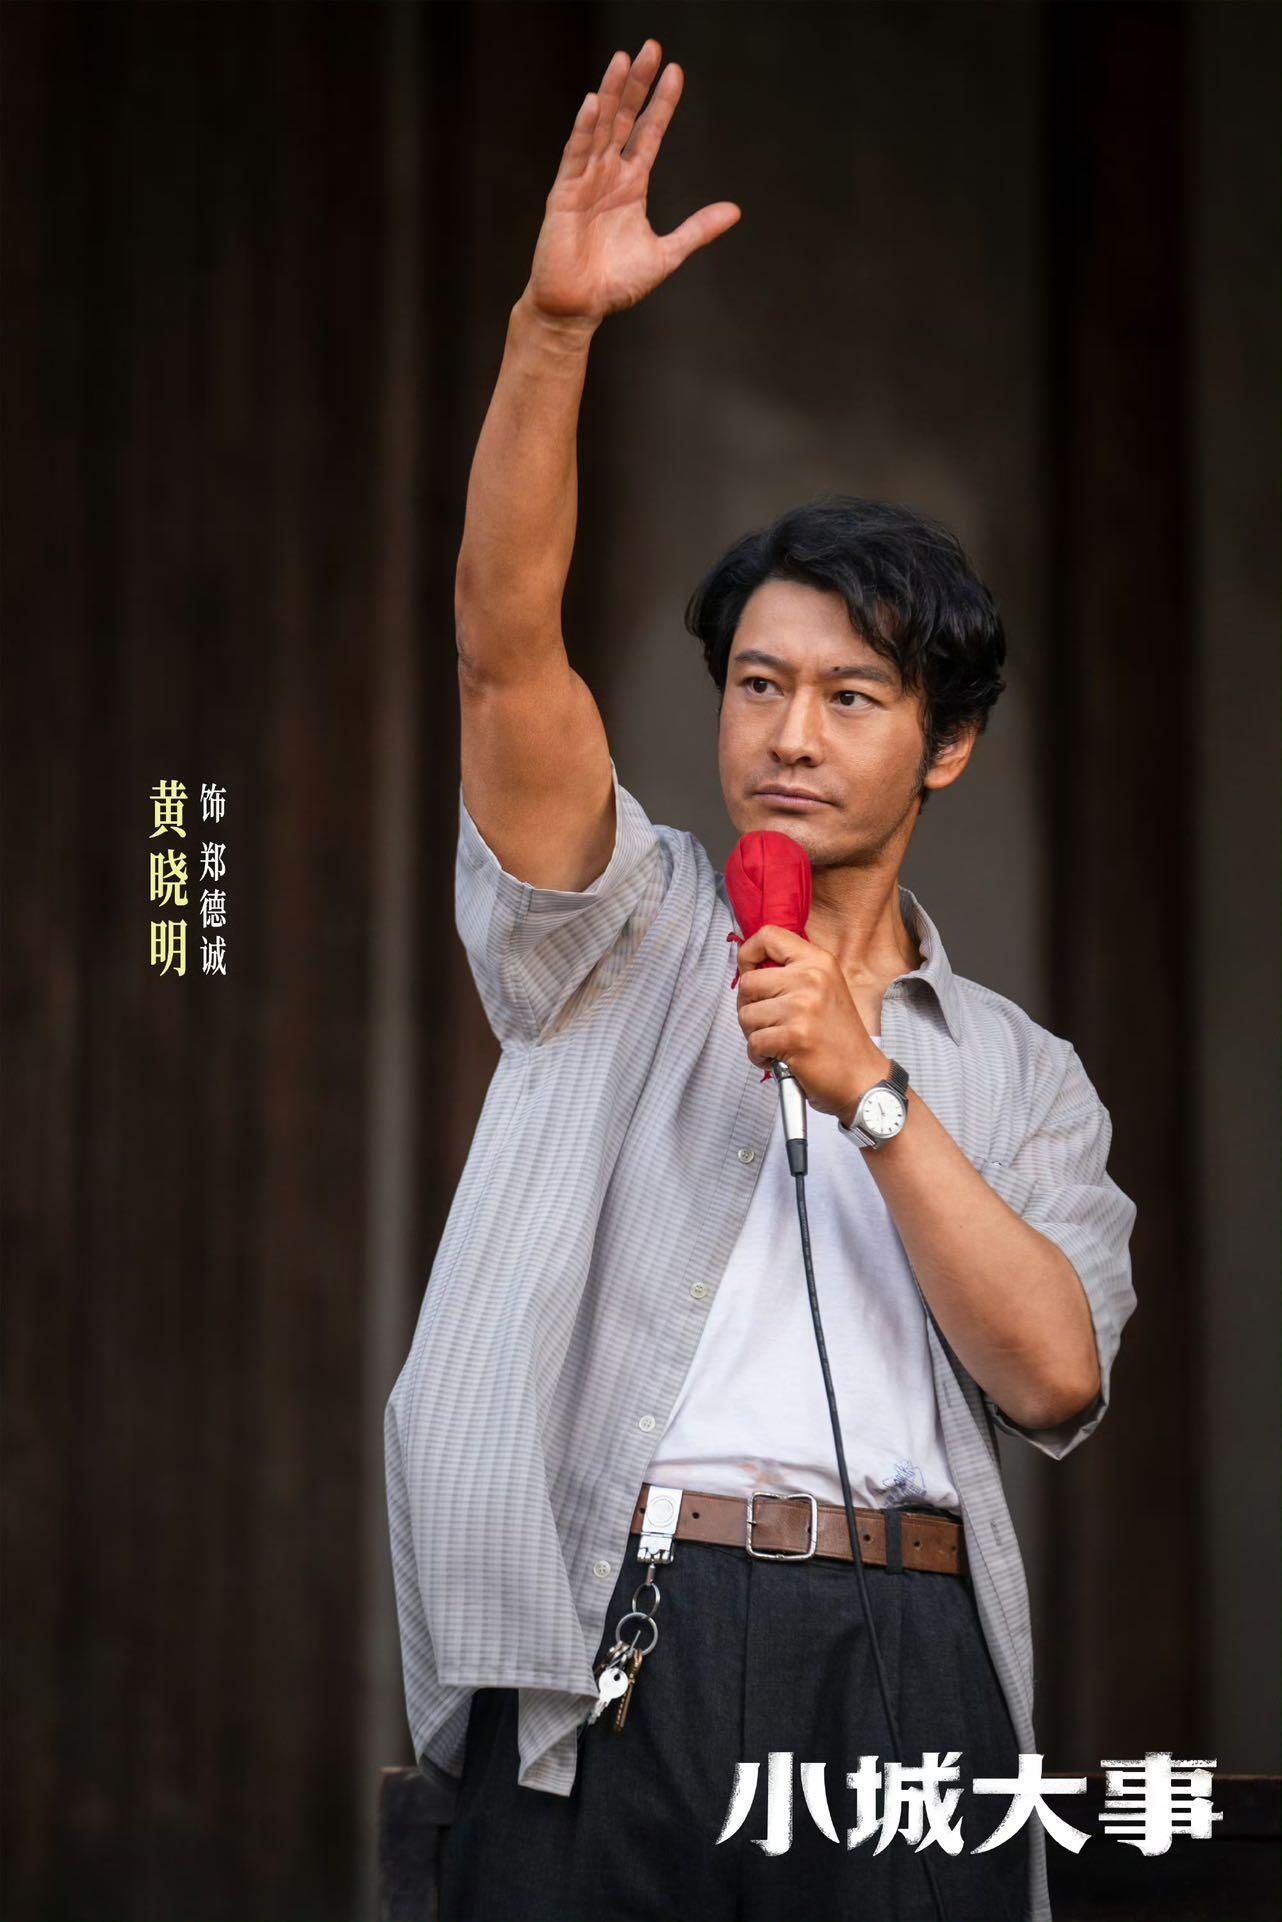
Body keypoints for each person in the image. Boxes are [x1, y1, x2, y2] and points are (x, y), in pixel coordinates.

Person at [383, 37, 1137, 1922]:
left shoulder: (1022, 1071)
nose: (790, 734)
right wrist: (553, 331)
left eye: (852, 696)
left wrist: (868, 1085)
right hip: (626, 1620)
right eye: (757, 685)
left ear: (943, 745)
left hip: (904, 1641)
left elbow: (1054, 1371)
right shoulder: (621, 929)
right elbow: (502, 652)